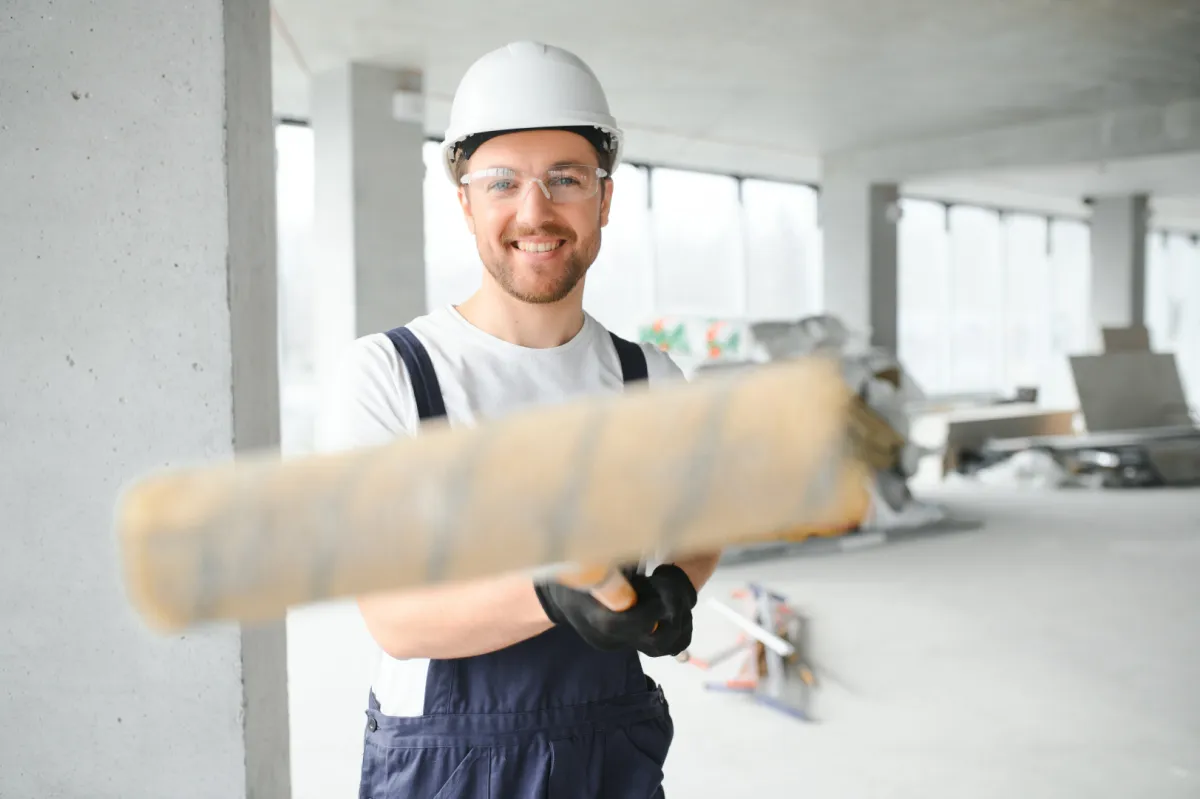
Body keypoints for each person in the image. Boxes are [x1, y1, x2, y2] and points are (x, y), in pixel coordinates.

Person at [325, 40, 722, 798]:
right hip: (449, 766)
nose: (534, 211)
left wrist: (681, 581)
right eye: (501, 182)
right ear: (465, 200)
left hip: (613, 748)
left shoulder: (651, 379)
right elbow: (397, 620)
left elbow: (703, 520)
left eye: (564, 180)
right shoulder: (394, 375)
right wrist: (554, 596)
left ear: (604, 198)